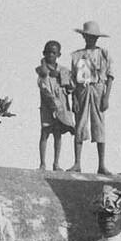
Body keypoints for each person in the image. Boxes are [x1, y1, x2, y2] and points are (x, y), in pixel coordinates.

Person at [68, 21, 114, 175]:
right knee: (80, 124)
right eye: (88, 36)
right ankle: (77, 163)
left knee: (99, 125)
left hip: (98, 89)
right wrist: (74, 97)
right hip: (82, 90)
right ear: (84, 36)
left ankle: (101, 164)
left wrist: (106, 97)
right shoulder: (77, 55)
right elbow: (74, 79)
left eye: (93, 37)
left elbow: (110, 77)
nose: (91, 39)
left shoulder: (103, 54)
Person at [36, 40, 72, 170]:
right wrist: (52, 101)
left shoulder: (63, 71)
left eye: (54, 52)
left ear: (58, 54)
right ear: (44, 53)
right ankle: (42, 163)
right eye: (48, 52)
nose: (51, 55)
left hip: (60, 106)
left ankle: (56, 163)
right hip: (47, 105)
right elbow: (43, 86)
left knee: (58, 133)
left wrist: (63, 78)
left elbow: (70, 87)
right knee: (45, 132)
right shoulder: (42, 71)